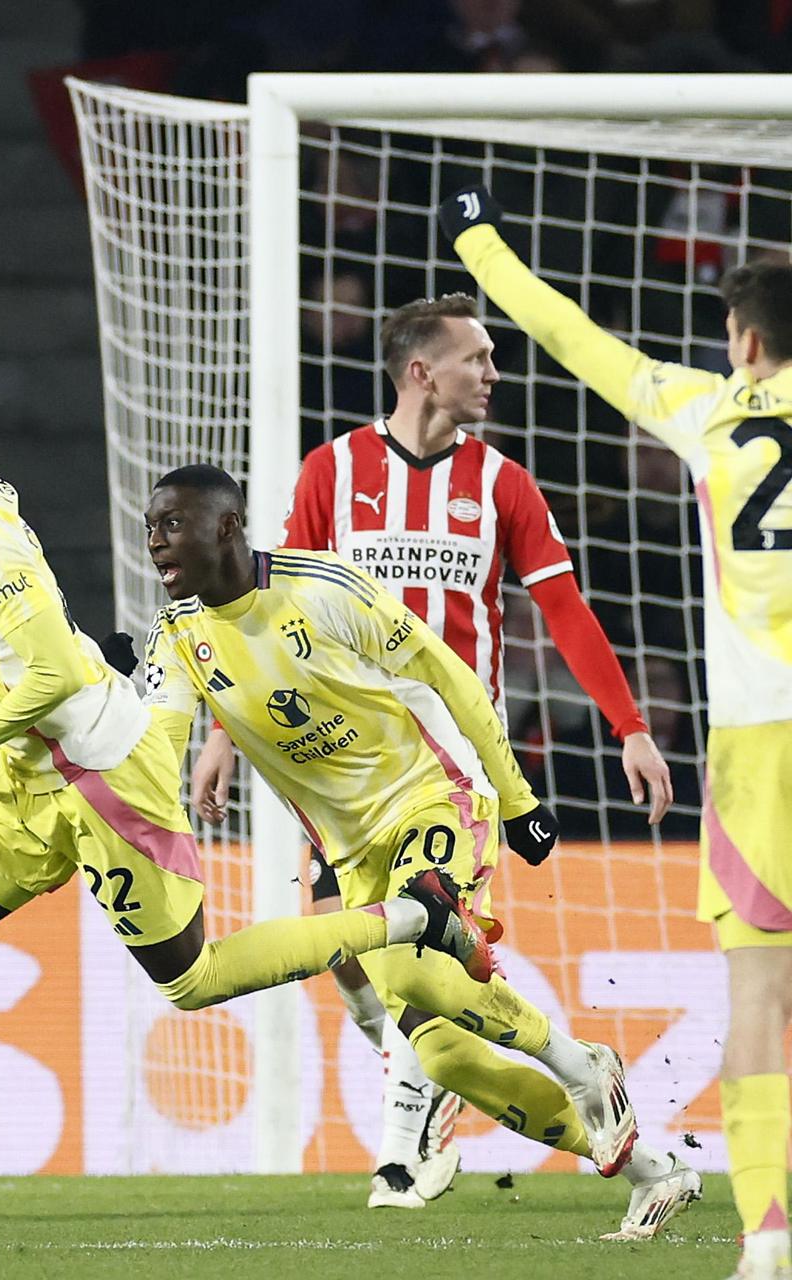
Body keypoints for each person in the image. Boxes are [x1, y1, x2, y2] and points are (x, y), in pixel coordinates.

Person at [0, 251, 487, 1237]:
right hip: (32, 765)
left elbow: (57, 672)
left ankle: (413, 918)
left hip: (101, 770)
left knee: (195, 979)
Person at [192, 291, 674, 1210]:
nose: (493, 374)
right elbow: (260, 609)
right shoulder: (330, 472)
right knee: (345, 950)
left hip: (453, 761)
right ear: (422, 370)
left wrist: (630, 725)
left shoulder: (504, 484)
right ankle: (440, 1085)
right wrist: (222, 733)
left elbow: (564, 611)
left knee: (415, 942)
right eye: (476, 358)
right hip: (343, 762)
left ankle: (410, 1135)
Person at [136, 463, 700, 1241]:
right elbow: (157, 751)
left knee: (402, 961)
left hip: (435, 797)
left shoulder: (322, 586)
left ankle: (580, 1063)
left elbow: (450, 674)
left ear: (226, 527)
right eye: (150, 527)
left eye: (171, 524)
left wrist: (520, 796)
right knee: (447, 1059)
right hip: (347, 845)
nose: (156, 542)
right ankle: (652, 1173)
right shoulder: (178, 637)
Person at [446, 184, 792, 1280]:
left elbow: (567, 331)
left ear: (743, 338)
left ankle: (772, 1236)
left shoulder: (705, 407)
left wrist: (479, 239)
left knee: (759, 997)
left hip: (755, 744)